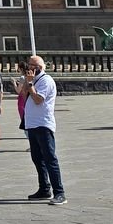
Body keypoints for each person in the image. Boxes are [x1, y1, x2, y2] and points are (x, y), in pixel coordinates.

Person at [22, 55, 66, 205]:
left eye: (30, 65)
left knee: (49, 159)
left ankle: (59, 192)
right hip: (32, 125)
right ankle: (44, 188)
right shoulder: (33, 80)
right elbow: (22, 94)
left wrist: (30, 84)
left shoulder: (46, 81)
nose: (28, 68)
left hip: (43, 125)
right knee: (37, 158)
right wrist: (27, 82)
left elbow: (38, 99)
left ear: (37, 67)